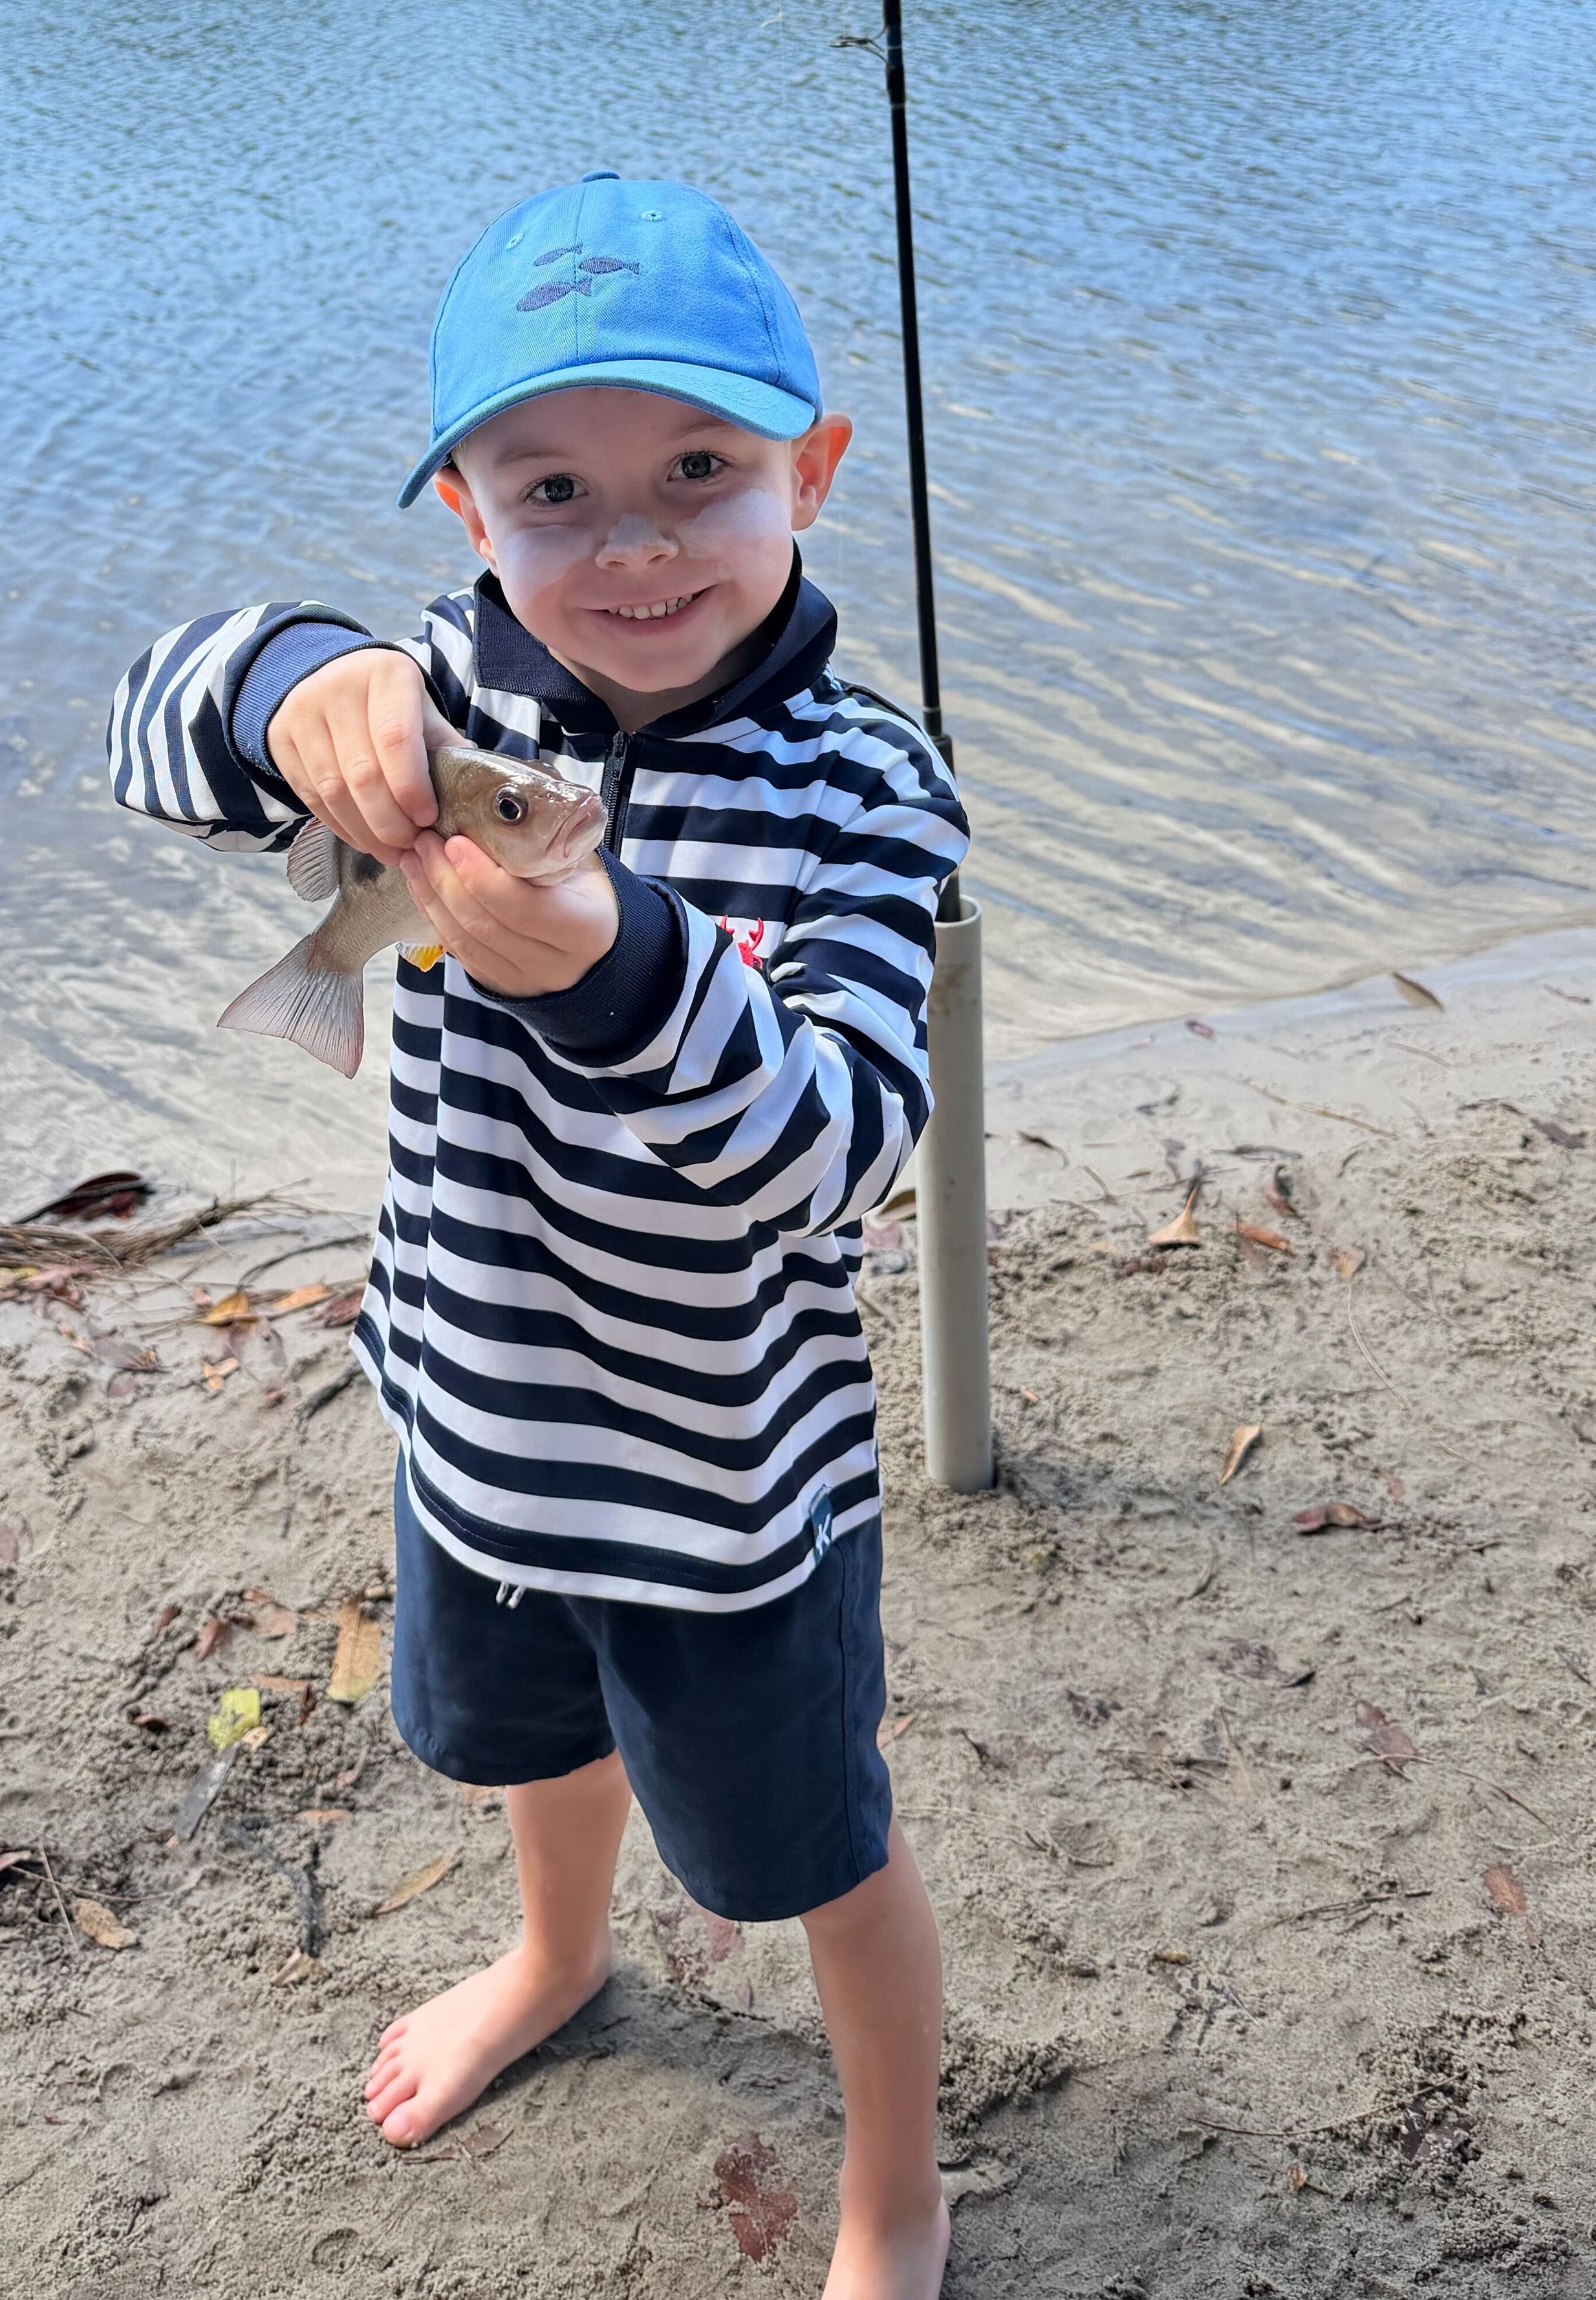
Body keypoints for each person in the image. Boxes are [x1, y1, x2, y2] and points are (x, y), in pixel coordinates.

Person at [108, 171, 967, 2300]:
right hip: (478, 1419)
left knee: (816, 1858)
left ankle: (896, 2190)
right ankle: (556, 1954)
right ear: (468, 515)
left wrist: (616, 970)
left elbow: (844, 1147)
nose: (643, 540)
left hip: (732, 1491)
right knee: (537, 1742)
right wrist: (287, 681)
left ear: (816, 471)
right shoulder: (431, 705)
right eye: (556, 488)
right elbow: (144, 729)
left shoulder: (871, 787)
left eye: (702, 469)